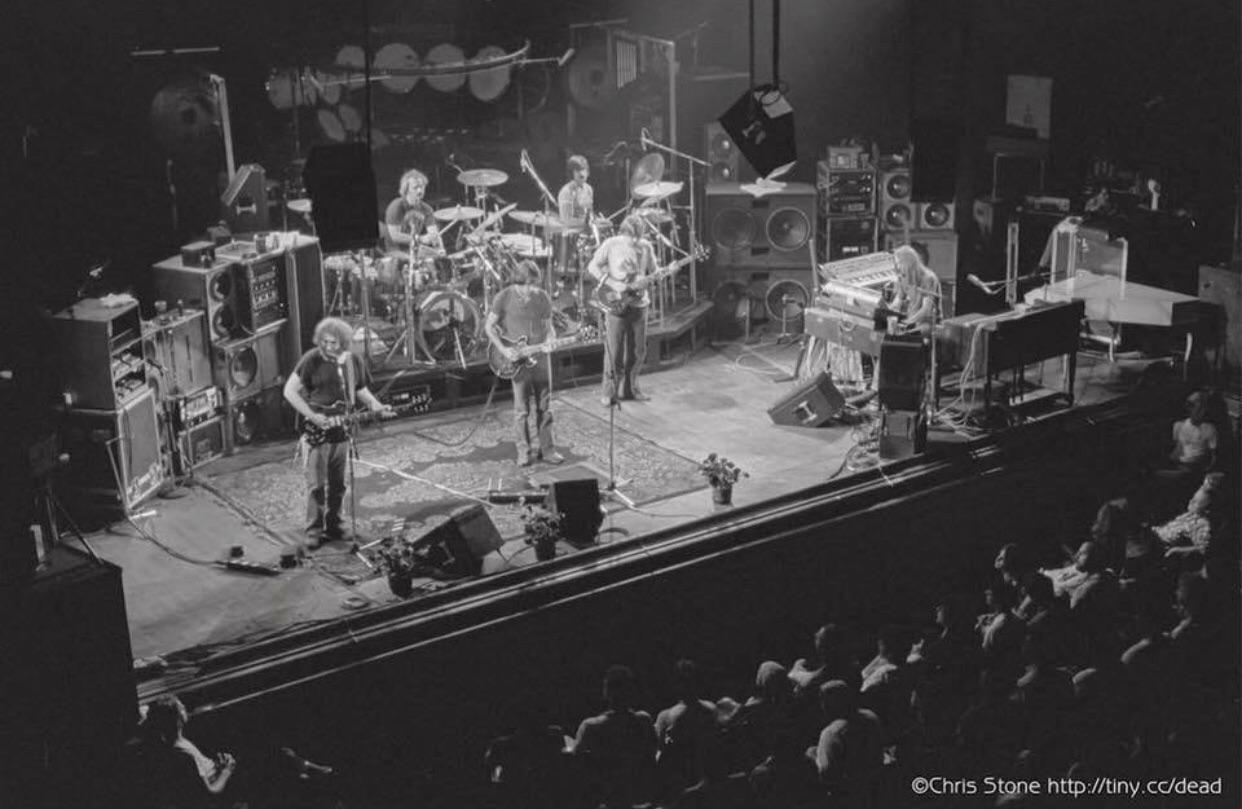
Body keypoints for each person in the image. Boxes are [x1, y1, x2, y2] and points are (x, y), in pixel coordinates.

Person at [283, 317, 392, 543]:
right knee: (316, 485)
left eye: (334, 343)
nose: (329, 347)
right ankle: (313, 531)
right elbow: (289, 391)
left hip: (342, 432)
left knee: (338, 483)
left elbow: (360, 390)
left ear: (344, 343)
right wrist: (312, 415)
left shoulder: (352, 362)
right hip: (317, 432)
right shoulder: (310, 360)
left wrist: (376, 406)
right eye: (325, 342)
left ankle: (335, 524)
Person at [484, 260, 564, 466]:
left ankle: (547, 450)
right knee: (522, 410)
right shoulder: (504, 297)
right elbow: (489, 327)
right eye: (526, 285)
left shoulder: (542, 298)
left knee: (545, 407)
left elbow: (549, 328)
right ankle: (523, 452)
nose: (530, 289)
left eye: (533, 284)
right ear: (517, 282)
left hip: (540, 359)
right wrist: (504, 350)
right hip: (516, 361)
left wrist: (550, 342)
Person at [588, 213, 657, 406]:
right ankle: (609, 393)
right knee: (614, 351)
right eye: (631, 238)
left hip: (640, 304)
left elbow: (654, 270)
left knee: (638, 351)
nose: (634, 242)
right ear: (624, 232)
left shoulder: (646, 246)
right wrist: (611, 282)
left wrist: (662, 273)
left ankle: (631, 390)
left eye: (637, 238)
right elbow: (592, 266)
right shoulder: (611, 244)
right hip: (616, 303)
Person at [384, 168, 440, 253]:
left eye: (421, 187)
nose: (419, 191)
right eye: (415, 188)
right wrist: (420, 239)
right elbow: (394, 236)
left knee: (434, 259)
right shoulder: (396, 206)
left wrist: (440, 248)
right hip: (396, 252)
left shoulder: (427, 209)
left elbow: (433, 234)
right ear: (406, 190)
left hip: (416, 249)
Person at [889, 243, 942, 334]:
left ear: (908, 263)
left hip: (927, 324)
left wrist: (908, 322)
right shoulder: (902, 277)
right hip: (911, 320)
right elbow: (898, 299)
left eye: (899, 263)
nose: (897, 267)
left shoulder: (929, 278)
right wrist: (889, 311)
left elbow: (926, 309)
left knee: (911, 333)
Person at [557, 154, 594, 228]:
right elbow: (567, 221)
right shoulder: (566, 192)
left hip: (586, 232)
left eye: (584, 169)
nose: (581, 173)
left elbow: (589, 215)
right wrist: (588, 222)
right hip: (570, 234)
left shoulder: (588, 189)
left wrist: (597, 220)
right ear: (572, 173)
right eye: (577, 170)